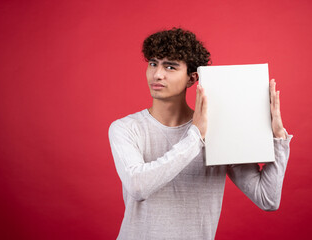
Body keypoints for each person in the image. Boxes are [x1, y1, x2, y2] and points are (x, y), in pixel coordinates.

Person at [108, 27, 293, 240]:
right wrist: (195, 136)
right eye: (153, 64)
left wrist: (279, 138)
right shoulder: (126, 128)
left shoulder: (219, 132)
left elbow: (267, 199)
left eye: (170, 67)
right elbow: (138, 186)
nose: (157, 74)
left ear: (191, 78)